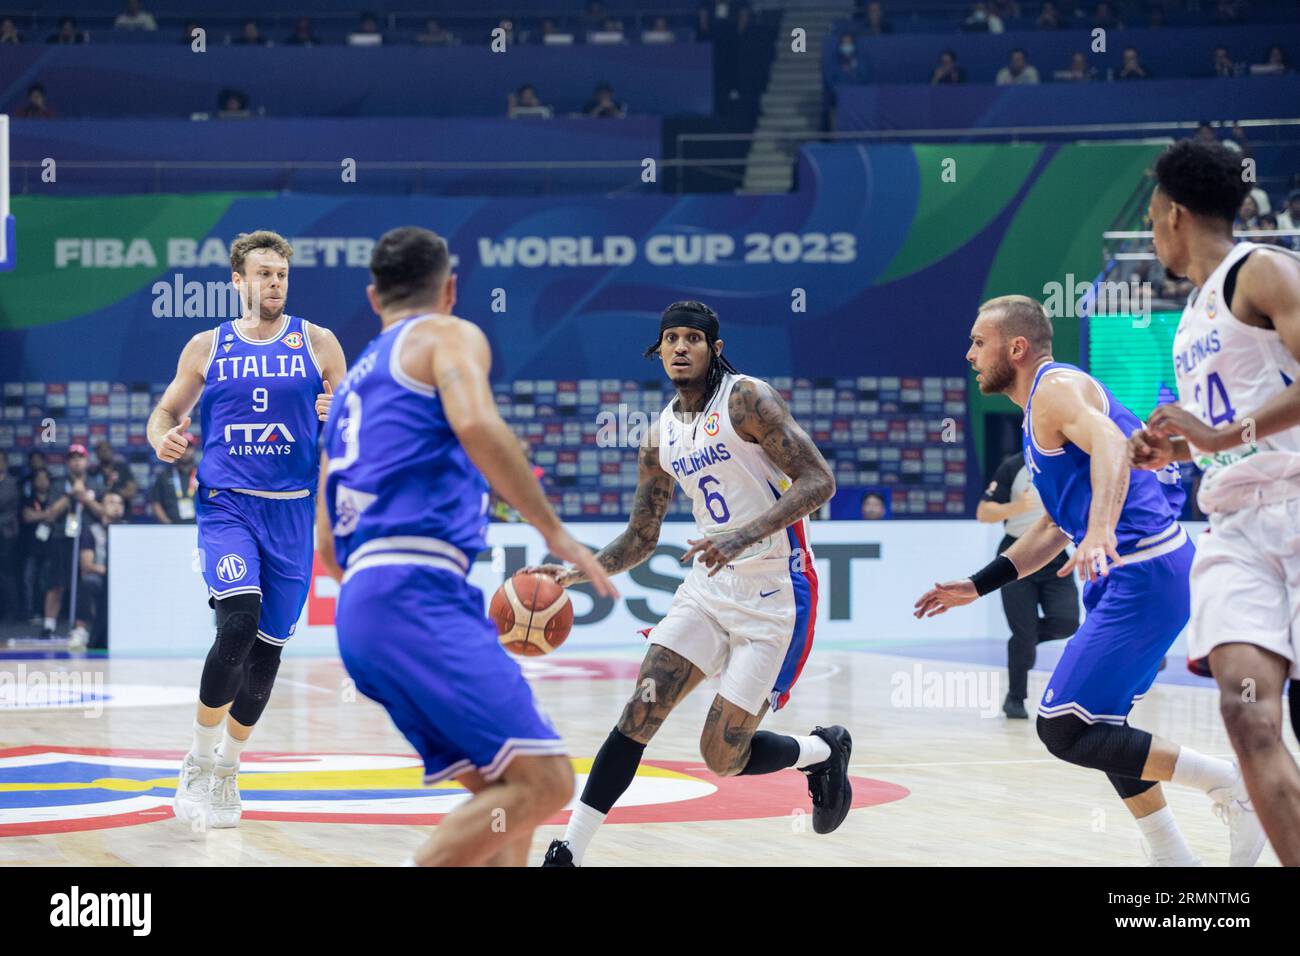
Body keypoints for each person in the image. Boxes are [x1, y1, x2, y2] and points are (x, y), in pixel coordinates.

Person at [914, 294, 1263, 866]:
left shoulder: (1054, 389)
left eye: (980, 342)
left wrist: (1099, 528)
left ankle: (1231, 785)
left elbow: (1109, 444)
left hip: (1144, 569)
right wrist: (978, 584)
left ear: (1016, 347)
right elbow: (1053, 526)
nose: (970, 353)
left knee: (1063, 726)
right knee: (1102, 723)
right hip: (1130, 573)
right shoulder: (1036, 416)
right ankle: (1172, 857)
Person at [318, 226, 614, 866]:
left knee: (509, 798)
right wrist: (552, 530)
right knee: (549, 783)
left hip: (365, 605)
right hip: (414, 590)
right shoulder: (447, 334)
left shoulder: (347, 392)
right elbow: (477, 421)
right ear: (450, 289)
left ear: (374, 298)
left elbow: (327, 547)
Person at [537, 299, 851, 868]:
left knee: (721, 756)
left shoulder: (747, 400)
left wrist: (741, 535)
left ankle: (822, 751)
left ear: (715, 348)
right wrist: (577, 571)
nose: (680, 348)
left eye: (692, 338)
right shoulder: (659, 435)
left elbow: (819, 481)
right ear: (658, 351)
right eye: (670, 339)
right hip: (708, 591)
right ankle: (568, 850)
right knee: (639, 713)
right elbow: (641, 536)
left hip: (776, 593)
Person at [1129, 138, 1300, 865]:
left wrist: (1218, 430)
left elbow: (1246, 422)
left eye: (1150, 215)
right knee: (1246, 713)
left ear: (1172, 214)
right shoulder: (1191, 319)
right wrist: (1183, 449)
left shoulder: (1262, 269)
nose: (1149, 229)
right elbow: (1226, 434)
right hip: (1234, 524)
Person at [147, 230, 346, 829]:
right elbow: (163, 413)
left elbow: (362, 417)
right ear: (237, 280)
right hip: (227, 503)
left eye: (281, 274)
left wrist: (342, 414)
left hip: (291, 510)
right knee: (236, 623)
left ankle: (229, 768)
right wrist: (164, 439)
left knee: (266, 653)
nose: (274, 284)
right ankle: (197, 761)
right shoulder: (208, 346)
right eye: (263, 274)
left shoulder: (319, 343)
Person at [977, 452, 1079, 718]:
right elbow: (983, 512)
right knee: (1023, 633)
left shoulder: (1069, 461)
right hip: (1016, 553)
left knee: (1067, 622)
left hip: (1054, 553)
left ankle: (1027, 640)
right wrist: (1016, 507)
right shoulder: (1013, 466)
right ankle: (1015, 698)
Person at [73, 489, 125, 651]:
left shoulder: (129, 529)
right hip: (102, 576)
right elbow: (87, 564)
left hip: (125, 578)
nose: (116, 506)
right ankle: (80, 630)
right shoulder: (92, 531)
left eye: (119, 503)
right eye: (111, 502)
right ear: (101, 506)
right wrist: (109, 571)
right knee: (89, 582)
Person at [22, 468, 70, 639]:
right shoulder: (29, 498)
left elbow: (54, 513)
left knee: (54, 581)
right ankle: (33, 613)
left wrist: (43, 514)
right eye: (39, 479)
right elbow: (28, 516)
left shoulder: (54, 495)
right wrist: (47, 514)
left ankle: (56, 620)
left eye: (45, 479)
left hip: (54, 545)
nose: (42, 482)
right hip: (33, 547)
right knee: (33, 580)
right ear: (34, 482)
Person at [149, 433, 198, 524]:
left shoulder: (203, 475)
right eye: (180, 447)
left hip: (199, 527)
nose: (185, 451)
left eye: (188, 447)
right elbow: (156, 502)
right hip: (172, 529)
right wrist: (167, 523)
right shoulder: (163, 475)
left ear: (194, 450)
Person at [0, 451, 20, 623]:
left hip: (6, 535)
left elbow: (6, 504)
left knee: (6, 574)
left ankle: (11, 613)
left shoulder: (11, 484)